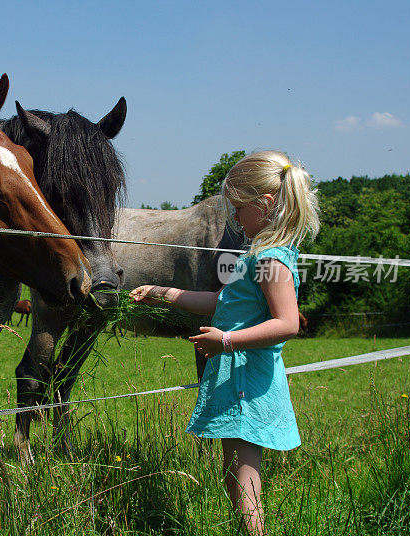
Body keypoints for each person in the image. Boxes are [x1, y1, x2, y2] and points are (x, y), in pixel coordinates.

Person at [130, 150, 320, 534]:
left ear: (265, 205)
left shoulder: (270, 260)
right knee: (235, 472)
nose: (233, 218)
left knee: (242, 476)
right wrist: (163, 292)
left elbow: (286, 323)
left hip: (246, 378)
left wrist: (228, 340)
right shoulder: (257, 257)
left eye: (238, 209)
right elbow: (220, 302)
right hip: (238, 377)